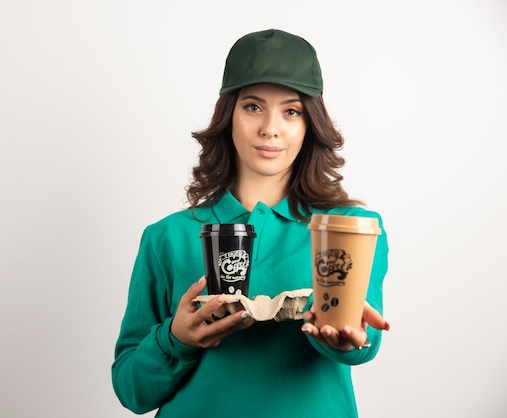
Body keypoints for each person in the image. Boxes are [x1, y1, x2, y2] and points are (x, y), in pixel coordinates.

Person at [111, 28, 390, 417]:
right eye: (253, 107)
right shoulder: (167, 237)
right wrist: (177, 338)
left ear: (310, 124)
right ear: (228, 116)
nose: (270, 128)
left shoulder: (348, 228)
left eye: (291, 111)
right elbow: (131, 390)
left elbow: (363, 335)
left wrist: (346, 337)